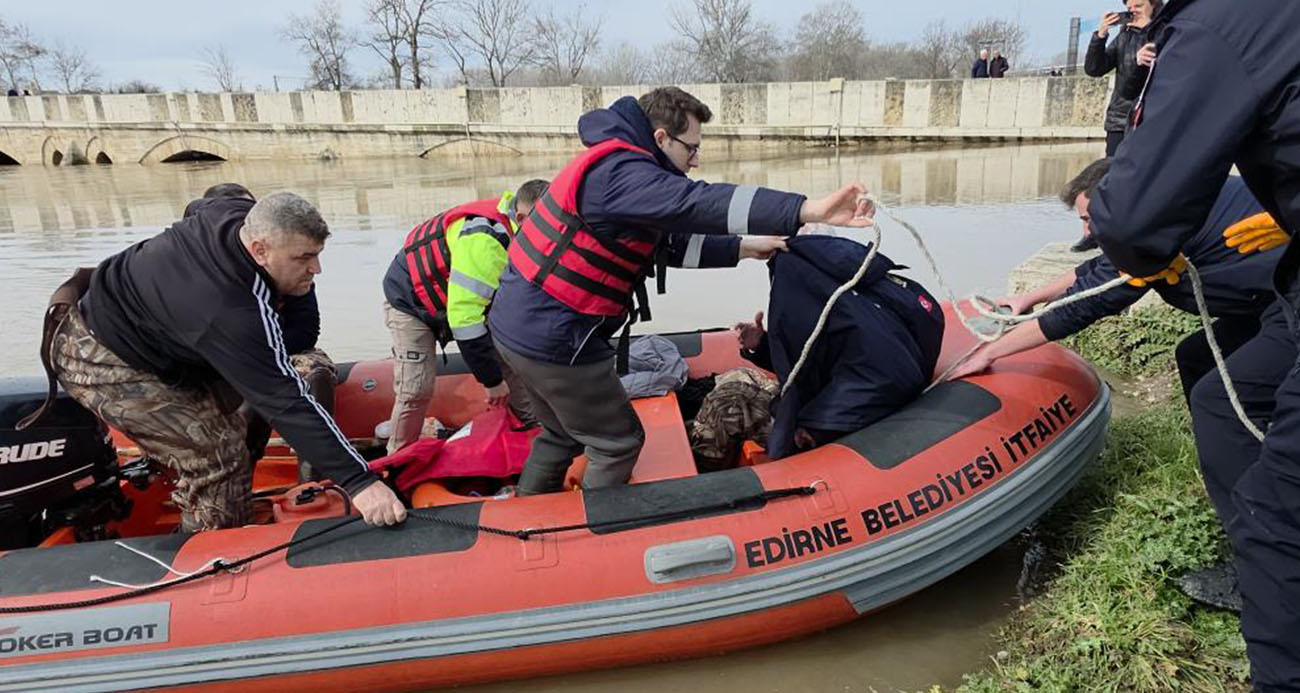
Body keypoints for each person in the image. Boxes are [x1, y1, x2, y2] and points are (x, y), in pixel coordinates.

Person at [488, 86, 871, 496]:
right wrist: (807, 210)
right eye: (691, 148)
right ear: (661, 139)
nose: (696, 159)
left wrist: (743, 247)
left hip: (516, 327)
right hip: (555, 337)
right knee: (617, 442)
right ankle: (590, 536)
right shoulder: (622, 174)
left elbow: (665, 244)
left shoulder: (620, 167)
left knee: (562, 434)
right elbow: (697, 203)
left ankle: (531, 511)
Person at [1085, 0, 1300, 687]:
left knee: (1276, 517)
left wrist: (1119, 218)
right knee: (1198, 363)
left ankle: (1255, 560)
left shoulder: (1213, 26)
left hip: (1275, 300)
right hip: (1275, 279)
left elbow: (1132, 227)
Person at [41, 192, 405, 530]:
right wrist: (360, 482)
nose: (317, 269)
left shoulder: (232, 216)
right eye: (303, 258)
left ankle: (233, 502)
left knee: (232, 428)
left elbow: (202, 207)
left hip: (143, 330)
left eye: (317, 254)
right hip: (99, 358)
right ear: (260, 250)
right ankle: (213, 555)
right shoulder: (231, 311)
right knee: (215, 456)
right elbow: (284, 399)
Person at [944, 159, 1281, 405]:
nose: (1086, 233)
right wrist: (1029, 298)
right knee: (1196, 356)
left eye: (1090, 220)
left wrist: (989, 354)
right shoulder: (1165, 200)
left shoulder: (1154, 230)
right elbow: (1100, 269)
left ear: (1117, 202)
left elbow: (1083, 305)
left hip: (1284, 303)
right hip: (1267, 298)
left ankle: (1254, 468)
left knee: (1216, 399)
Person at [733, 234, 945, 459]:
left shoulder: (847, 315)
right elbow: (816, 358)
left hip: (850, 415)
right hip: (852, 393)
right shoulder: (866, 294)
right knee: (737, 381)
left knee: (728, 401)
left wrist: (815, 427)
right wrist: (762, 345)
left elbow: (884, 376)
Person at [380, 181, 548, 454]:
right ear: (522, 218)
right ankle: (397, 457)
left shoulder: (518, 229)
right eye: (547, 225)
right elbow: (465, 320)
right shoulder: (487, 243)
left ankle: (533, 429)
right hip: (411, 303)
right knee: (416, 388)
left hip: (458, 299)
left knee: (512, 355)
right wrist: (491, 382)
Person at [188, 183, 338, 483]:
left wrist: (260, 353)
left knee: (315, 370)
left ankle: (314, 480)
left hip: (274, 350)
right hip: (209, 363)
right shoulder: (197, 270)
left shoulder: (290, 266)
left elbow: (306, 329)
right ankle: (232, 477)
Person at [1085, 0, 1163, 158]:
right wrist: (1100, 35)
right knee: (1112, 173)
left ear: (1154, 5)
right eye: (1129, 8)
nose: (1133, 11)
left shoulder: (1164, 34)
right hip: (1119, 120)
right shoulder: (1124, 37)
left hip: (1152, 119)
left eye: (1139, 6)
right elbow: (1094, 69)